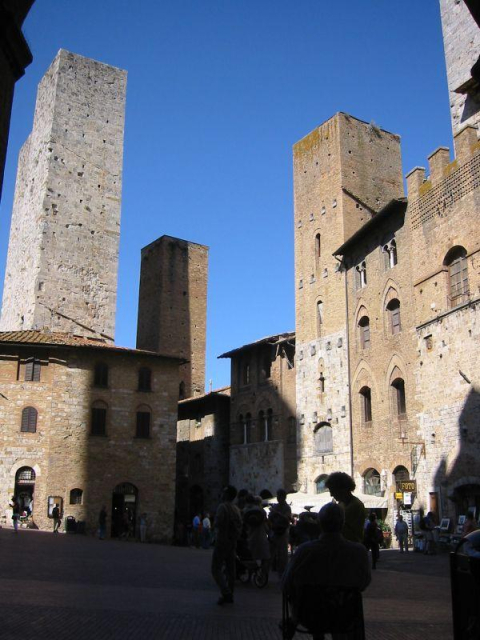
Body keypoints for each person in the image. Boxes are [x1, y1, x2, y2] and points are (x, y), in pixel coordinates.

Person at [282, 502, 371, 636]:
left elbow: (286, 584)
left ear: (320, 523)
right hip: (345, 615)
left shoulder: (304, 551)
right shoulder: (358, 552)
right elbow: (363, 582)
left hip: (309, 615)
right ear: (342, 523)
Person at [211, 485, 242, 605]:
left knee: (215, 568)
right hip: (232, 542)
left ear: (227, 495)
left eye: (224, 492)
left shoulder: (222, 507)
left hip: (222, 541)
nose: (222, 494)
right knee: (230, 569)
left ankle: (226, 592)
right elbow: (240, 525)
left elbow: (217, 523)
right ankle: (231, 594)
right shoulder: (236, 509)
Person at [325, 472, 365, 544]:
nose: (331, 495)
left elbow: (338, 528)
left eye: (332, 491)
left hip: (350, 548)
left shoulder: (355, 506)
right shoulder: (342, 504)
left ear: (342, 490)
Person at [243, 495, 270, 576]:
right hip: (261, 536)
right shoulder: (262, 511)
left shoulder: (246, 510)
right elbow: (266, 525)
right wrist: (269, 531)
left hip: (250, 536)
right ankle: (262, 574)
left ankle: (251, 573)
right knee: (265, 558)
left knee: (251, 557)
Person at [268, 488, 292, 577]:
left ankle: (283, 573)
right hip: (274, 531)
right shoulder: (275, 506)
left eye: (279, 496)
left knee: (283, 554)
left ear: (284, 497)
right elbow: (270, 518)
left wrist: (277, 513)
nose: (278, 498)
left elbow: (287, 518)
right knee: (271, 552)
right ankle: (269, 570)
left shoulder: (287, 507)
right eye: (277, 496)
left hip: (283, 532)